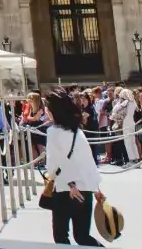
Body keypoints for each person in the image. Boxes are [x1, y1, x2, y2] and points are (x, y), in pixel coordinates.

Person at [43, 91, 103, 246]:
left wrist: (71, 183)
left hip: (66, 188)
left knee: (61, 236)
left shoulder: (53, 132)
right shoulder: (77, 130)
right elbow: (88, 160)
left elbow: (56, 161)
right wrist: (96, 188)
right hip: (85, 187)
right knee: (82, 236)